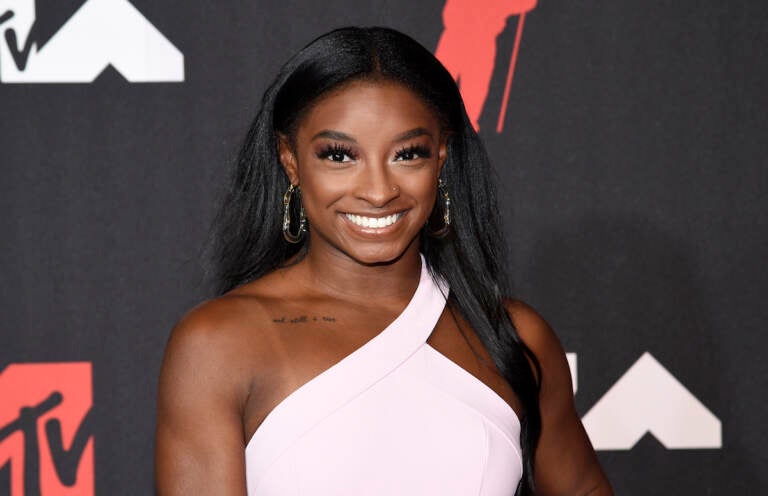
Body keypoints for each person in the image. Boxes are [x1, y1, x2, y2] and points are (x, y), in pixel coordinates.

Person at [154, 26, 612, 496]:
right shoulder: (219, 344)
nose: (377, 191)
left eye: (406, 154)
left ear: (441, 157)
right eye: (339, 155)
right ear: (290, 160)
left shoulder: (514, 337)